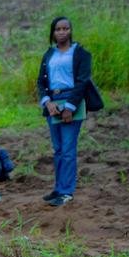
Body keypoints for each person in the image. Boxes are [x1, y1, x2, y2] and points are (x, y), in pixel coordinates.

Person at [36, 17, 93, 207]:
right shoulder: (49, 54)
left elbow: (83, 81)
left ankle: (67, 192)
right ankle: (59, 188)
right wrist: (47, 102)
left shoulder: (80, 53)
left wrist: (70, 107)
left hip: (72, 101)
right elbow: (41, 82)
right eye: (58, 29)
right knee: (58, 150)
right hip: (53, 103)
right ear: (53, 32)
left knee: (68, 150)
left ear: (70, 30)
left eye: (65, 28)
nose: (62, 32)